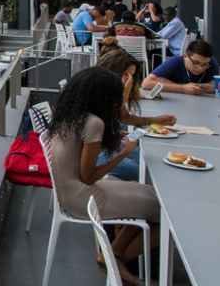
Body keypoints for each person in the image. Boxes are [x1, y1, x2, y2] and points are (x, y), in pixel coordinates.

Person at [48, 66, 160, 285]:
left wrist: (114, 137)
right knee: (163, 211)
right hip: (83, 198)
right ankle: (117, 259)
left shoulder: (71, 116)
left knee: (150, 194)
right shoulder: (94, 123)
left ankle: (113, 255)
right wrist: (125, 153)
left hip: (70, 192)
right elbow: (89, 177)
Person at [95, 46, 176, 181]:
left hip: (108, 143)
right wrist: (125, 93)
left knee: (154, 162)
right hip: (96, 153)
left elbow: (124, 116)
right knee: (150, 174)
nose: (130, 80)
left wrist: (155, 120)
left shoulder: (111, 92)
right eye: (126, 75)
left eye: (132, 75)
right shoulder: (99, 95)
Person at [142, 39, 219, 95]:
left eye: (205, 65)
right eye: (196, 63)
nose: (200, 68)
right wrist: (183, 88)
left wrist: (175, 85)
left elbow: (216, 86)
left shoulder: (211, 62)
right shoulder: (175, 62)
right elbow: (146, 83)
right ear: (185, 56)